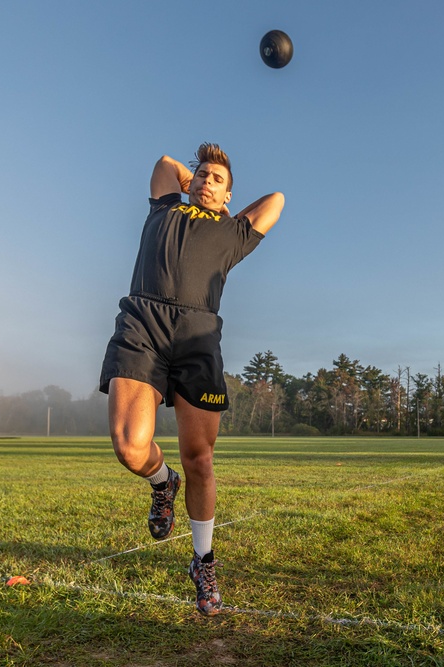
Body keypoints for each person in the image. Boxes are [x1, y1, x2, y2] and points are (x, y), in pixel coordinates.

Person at [99, 143, 284, 616]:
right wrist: (196, 183)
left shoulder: (234, 234)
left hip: (199, 335)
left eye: (216, 178)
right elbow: (164, 164)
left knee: (200, 459)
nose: (204, 179)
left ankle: (203, 560)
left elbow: (276, 200)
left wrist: (223, 207)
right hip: (143, 323)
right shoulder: (165, 207)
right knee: (129, 445)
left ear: (229, 195)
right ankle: (163, 483)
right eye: (200, 174)